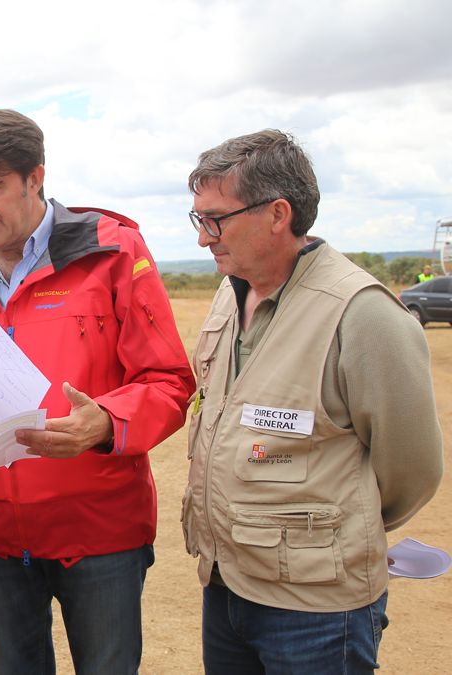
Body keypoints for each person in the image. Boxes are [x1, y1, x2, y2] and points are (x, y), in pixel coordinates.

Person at [0, 109, 195, 675]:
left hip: (100, 531)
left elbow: (168, 382)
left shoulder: (112, 254)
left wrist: (105, 424)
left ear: (35, 178)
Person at [182, 129, 444, 673]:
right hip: (228, 583)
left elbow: (411, 470)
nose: (204, 239)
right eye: (197, 219)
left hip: (317, 609)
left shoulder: (362, 314)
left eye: (215, 220)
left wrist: (341, 531)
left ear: (278, 214)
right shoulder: (230, 297)